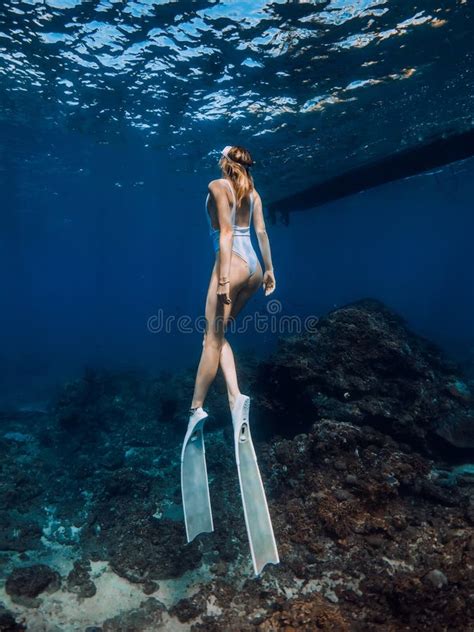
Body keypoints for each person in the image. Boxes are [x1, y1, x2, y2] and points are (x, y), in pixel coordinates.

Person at [180, 145, 280, 577]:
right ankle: (237, 398)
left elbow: (224, 234)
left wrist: (222, 279)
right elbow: (261, 236)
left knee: (209, 339)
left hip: (232, 265)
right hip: (255, 269)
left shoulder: (217, 185)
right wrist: (271, 272)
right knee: (222, 339)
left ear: (222, 162)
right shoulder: (254, 194)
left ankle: (196, 408)